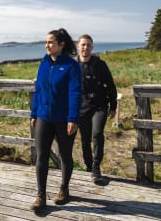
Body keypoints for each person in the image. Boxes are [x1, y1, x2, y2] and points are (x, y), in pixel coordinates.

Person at [30, 28, 82, 212]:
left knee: (65, 155)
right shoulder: (44, 64)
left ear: (61, 44)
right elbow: (38, 90)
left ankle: (64, 188)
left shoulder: (71, 65)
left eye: (51, 42)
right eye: (46, 42)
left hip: (63, 119)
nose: (47, 45)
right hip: (44, 117)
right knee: (41, 156)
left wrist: (73, 118)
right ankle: (41, 195)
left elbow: (75, 93)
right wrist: (34, 114)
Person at [76, 34, 117, 184]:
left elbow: (111, 85)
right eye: (83, 45)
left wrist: (113, 105)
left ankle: (96, 167)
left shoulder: (100, 64)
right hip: (81, 107)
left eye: (88, 45)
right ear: (78, 47)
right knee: (85, 140)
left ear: (92, 47)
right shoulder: (72, 65)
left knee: (97, 134)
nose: (85, 47)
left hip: (99, 105)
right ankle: (89, 166)